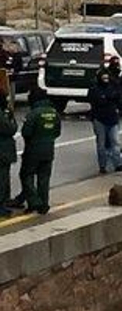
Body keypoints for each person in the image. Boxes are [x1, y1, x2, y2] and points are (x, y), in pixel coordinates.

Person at [18, 86, 61, 215]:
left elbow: (26, 132)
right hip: (49, 149)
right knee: (44, 178)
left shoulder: (33, 113)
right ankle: (44, 203)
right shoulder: (54, 113)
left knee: (26, 175)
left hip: (33, 149)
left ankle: (34, 201)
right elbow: (57, 132)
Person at [87, 66, 122, 174]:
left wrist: (107, 98)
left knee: (115, 142)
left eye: (107, 78)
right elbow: (96, 100)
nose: (106, 80)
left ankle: (118, 164)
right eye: (104, 78)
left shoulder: (112, 87)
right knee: (102, 144)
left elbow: (118, 97)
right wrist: (108, 98)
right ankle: (103, 165)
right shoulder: (95, 89)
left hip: (111, 118)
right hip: (100, 118)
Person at [0, 91, 16, 217]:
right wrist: (11, 119)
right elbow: (11, 128)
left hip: (4, 151)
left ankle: (4, 201)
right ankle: (1, 204)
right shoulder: (2, 115)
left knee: (5, 177)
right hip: (3, 150)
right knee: (2, 178)